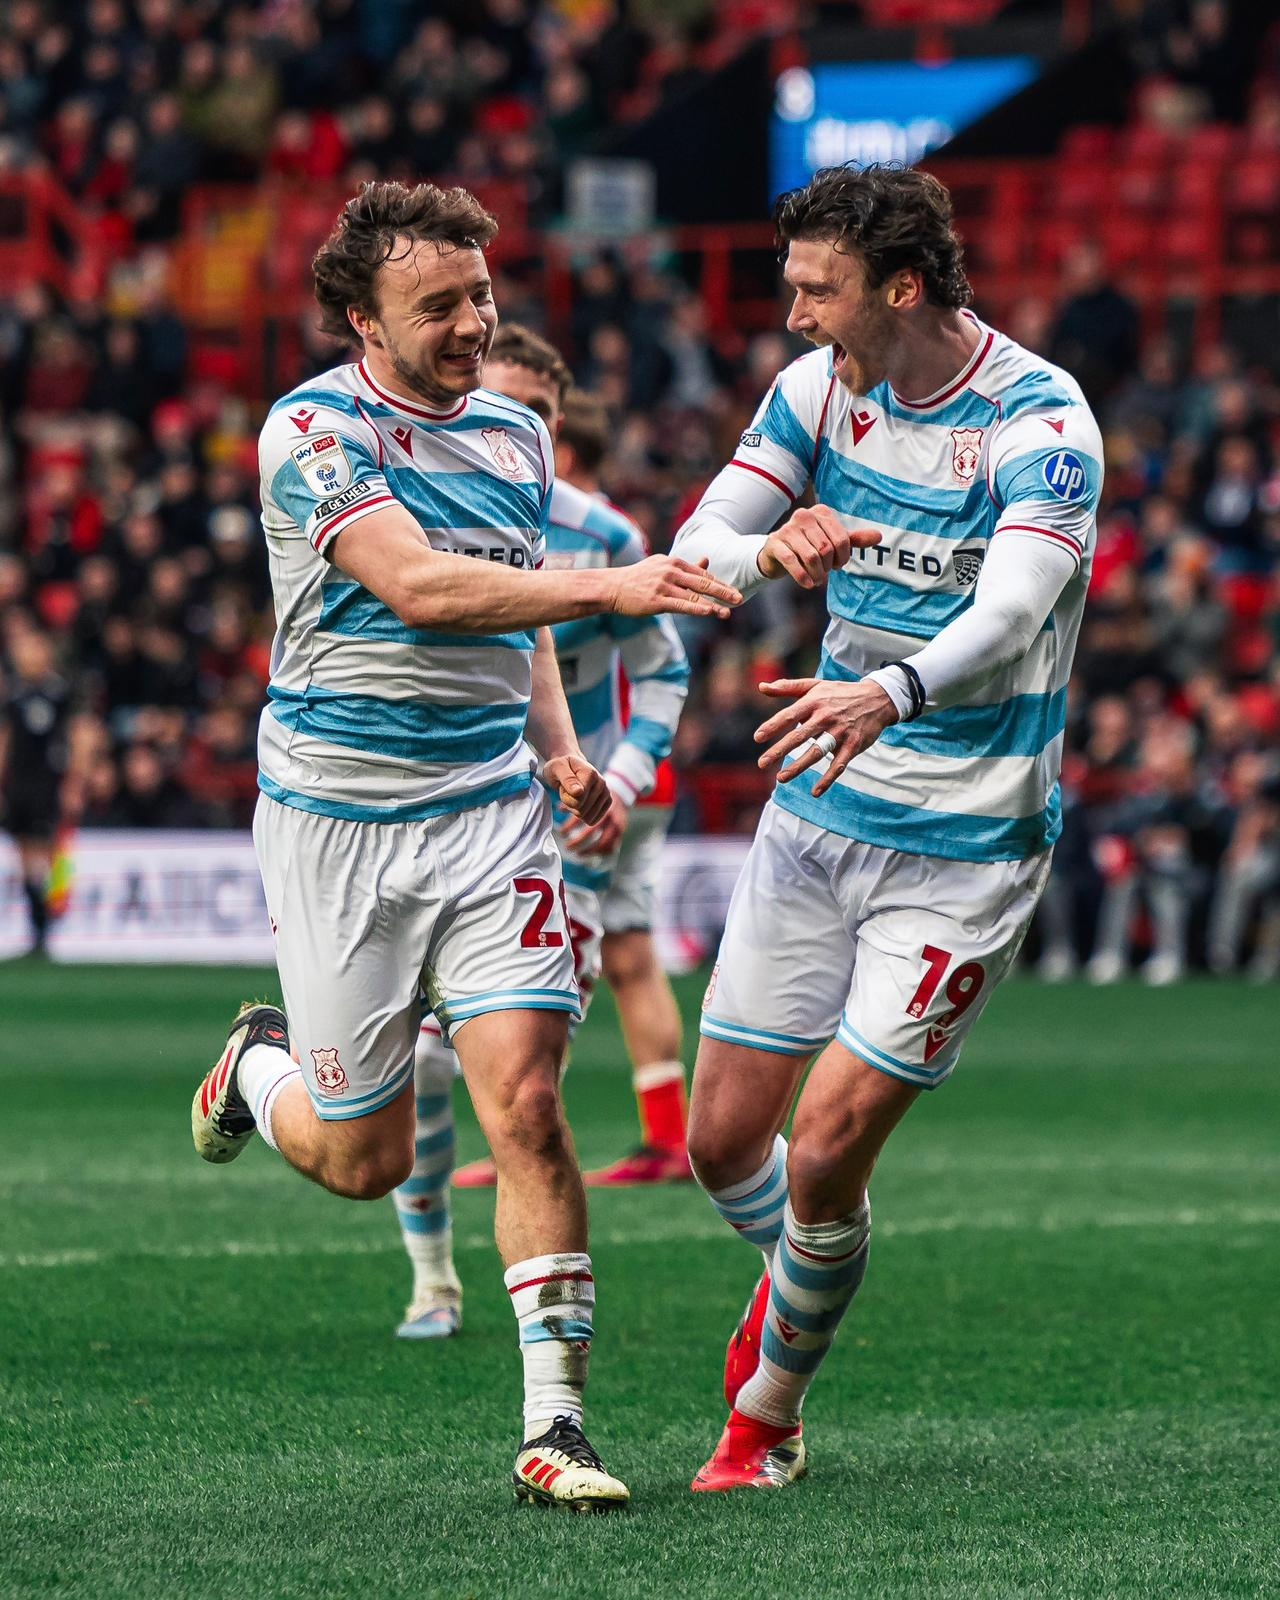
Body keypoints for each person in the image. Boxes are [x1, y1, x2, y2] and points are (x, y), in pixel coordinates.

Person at [188, 180, 739, 1512]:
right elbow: (422, 587)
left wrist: (561, 751)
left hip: (491, 815)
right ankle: (257, 1065)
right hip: (338, 824)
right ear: (361, 320)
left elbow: (520, 615)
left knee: (529, 1103)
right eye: (437, 304)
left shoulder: (514, 433)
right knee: (362, 1159)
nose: (472, 324)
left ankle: (557, 1427)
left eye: (481, 295)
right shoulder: (313, 430)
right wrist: (615, 581)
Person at [671, 163, 1103, 1491]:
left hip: (965, 843)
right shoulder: (815, 394)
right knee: (722, 1145)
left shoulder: (1040, 419)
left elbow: (1012, 612)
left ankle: (766, 1415)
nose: (793, 313)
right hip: (819, 813)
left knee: (829, 1147)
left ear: (902, 288)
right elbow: (697, 544)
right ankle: (814, 1261)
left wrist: (890, 691)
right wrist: (771, 551)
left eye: (818, 289)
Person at [394, 330, 692, 1343]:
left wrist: (622, 778)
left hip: (563, 835)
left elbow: (665, 670)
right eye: (495, 398)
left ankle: (542, 1318)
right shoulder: (412, 518)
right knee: (421, 1068)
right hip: (438, 818)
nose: (508, 423)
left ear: (558, 425)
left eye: (532, 409)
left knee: (524, 1079)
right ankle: (432, 1275)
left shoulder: (603, 535)